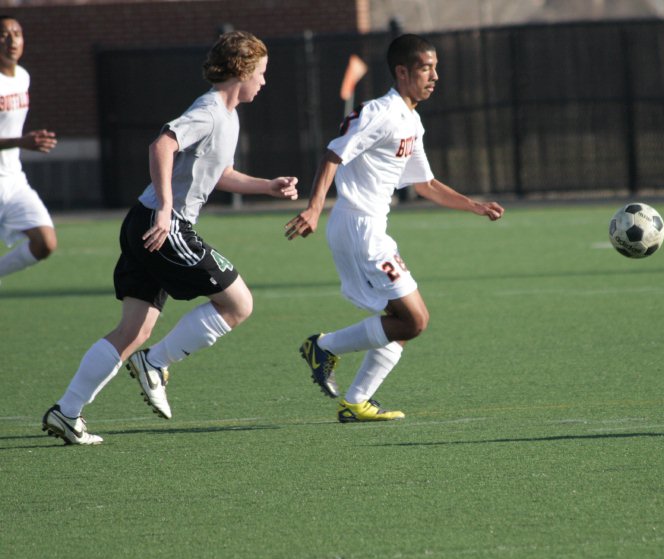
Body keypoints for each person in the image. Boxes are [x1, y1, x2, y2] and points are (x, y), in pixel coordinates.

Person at [42, 30, 299, 445]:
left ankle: (66, 413)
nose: (265, 82)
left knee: (132, 330)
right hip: (163, 224)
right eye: (262, 73)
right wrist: (165, 207)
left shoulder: (228, 117)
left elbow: (220, 174)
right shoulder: (211, 109)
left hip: (144, 222)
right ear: (243, 70)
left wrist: (268, 186)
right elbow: (162, 144)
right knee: (239, 303)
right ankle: (155, 363)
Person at [284, 34, 504, 423]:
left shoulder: (410, 120)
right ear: (402, 72)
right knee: (415, 320)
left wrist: (474, 206)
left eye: (435, 67)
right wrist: (314, 208)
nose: (434, 76)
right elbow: (334, 152)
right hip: (360, 228)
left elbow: (425, 185)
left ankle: (356, 401)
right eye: (425, 68)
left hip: (368, 228)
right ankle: (324, 347)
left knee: (399, 322)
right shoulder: (380, 112)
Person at [0, 15, 58, 285]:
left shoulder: (23, 77)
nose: (12, 40)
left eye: (17, 33)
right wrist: (21, 142)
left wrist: (25, 142)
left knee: (45, 242)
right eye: (3, 34)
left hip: (13, 180)